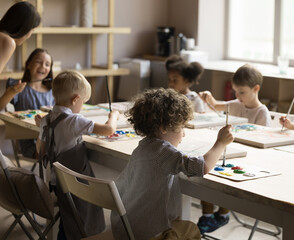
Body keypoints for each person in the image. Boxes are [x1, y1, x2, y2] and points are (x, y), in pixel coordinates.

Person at [110, 88, 234, 239]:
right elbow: (202, 167)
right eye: (181, 127)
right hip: (149, 233)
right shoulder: (163, 151)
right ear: (163, 128)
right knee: (191, 229)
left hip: (126, 227)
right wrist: (220, 142)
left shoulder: (143, 146)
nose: (183, 133)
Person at [38, 70, 120, 240]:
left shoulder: (46, 119)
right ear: (75, 99)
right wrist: (114, 116)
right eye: (82, 102)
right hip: (74, 182)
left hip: (55, 181)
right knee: (78, 218)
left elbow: (41, 150)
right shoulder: (74, 121)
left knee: (68, 215)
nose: (81, 106)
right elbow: (109, 130)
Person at [197, 64, 271, 234]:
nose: (237, 96)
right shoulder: (237, 104)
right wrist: (208, 98)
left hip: (247, 160)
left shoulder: (262, 112)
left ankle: (223, 213)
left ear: (256, 89)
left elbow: (263, 143)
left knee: (221, 177)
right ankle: (207, 215)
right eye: (235, 91)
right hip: (230, 154)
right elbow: (216, 105)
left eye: (242, 92)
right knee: (205, 169)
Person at [7, 48, 54, 158]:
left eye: (47, 64)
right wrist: (13, 91)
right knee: (58, 154)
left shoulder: (53, 91)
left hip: (51, 140)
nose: (43, 66)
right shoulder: (18, 88)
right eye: (38, 62)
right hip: (30, 144)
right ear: (28, 64)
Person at [0, 1, 41, 110]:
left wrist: (11, 92)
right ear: (25, 27)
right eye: (32, 30)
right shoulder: (8, 42)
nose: (30, 35)